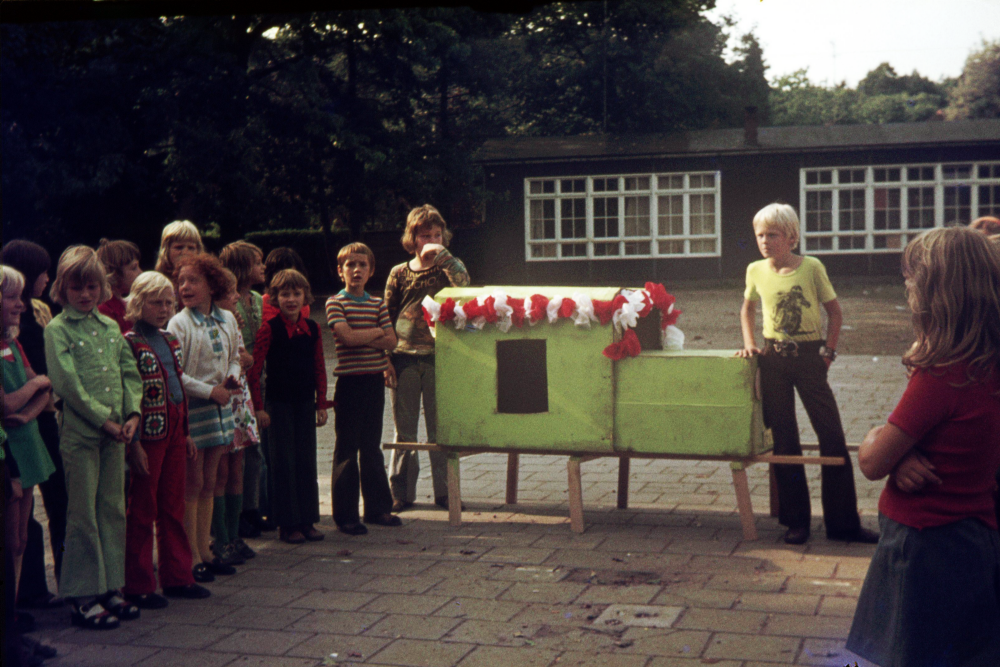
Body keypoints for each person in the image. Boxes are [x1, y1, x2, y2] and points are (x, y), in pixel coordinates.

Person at [847, 226, 1000, 667]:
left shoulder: (942, 375)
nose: (908, 285)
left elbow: (874, 461)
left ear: (938, 292)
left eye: (913, 277)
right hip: (976, 537)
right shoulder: (987, 368)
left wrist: (878, 437)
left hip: (923, 546)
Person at [737, 203, 878, 545]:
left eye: (773, 234)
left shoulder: (811, 267)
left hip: (810, 358)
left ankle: (844, 523)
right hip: (773, 360)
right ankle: (795, 521)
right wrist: (750, 344)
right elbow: (747, 308)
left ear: (791, 236)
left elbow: (835, 312)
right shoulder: (755, 270)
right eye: (760, 235)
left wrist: (828, 352)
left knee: (831, 434)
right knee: (784, 438)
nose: (765, 241)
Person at [44, 246, 143, 629]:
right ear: (62, 288)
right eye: (76, 287)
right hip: (82, 435)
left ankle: (108, 586)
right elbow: (67, 384)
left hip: (117, 434)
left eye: (91, 286)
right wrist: (104, 421)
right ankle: (82, 595)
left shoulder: (110, 326)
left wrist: (133, 413)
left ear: (102, 287)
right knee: (83, 513)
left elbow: (128, 371)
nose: (84, 294)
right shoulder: (57, 330)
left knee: (112, 508)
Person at [122, 272, 211, 609]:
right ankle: (138, 583)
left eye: (167, 302)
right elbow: (126, 395)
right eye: (154, 302)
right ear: (137, 303)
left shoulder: (170, 339)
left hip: (175, 429)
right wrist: (134, 445)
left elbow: (177, 385)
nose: (162, 309)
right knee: (143, 507)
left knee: (173, 504)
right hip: (149, 432)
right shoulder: (129, 343)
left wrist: (186, 432)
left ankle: (177, 575)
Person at [384, 205, 470, 512]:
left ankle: (446, 492)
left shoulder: (447, 268)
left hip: (438, 357)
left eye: (437, 235)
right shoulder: (399, 272)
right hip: (403, 356)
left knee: (440, 427)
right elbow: (386, 314)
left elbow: (464, 285)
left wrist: (445, 257)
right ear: (413, 238)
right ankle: (401, 492)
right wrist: (385, 358)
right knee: (404, 429)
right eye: (425, 236)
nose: (431, 240)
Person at [0, 240, 68, 611]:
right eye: (42, 270)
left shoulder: (30, 318)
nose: (47, 278)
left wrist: (34, 399)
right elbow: (25, 387)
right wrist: (37, 385)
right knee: (17, 527)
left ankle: (53, 584)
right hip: (18, 433)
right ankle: (23, 599)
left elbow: (43, 380)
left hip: (36, 422)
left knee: (42, 515)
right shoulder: (13, 329)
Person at [167, 253, 242, 581]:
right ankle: (192, 554)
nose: (185, 286)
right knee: (193, 481)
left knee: (212, 479)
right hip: (195, 409)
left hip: (221, 407)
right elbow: (176, 373)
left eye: (193, 280)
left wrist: (232, 377)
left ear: (212, 285)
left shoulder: (228, 319)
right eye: (181, 281)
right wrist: (208, 391)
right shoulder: (178, 323)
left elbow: (236, 355)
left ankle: (208, 548)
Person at [248, 269, 331, 543]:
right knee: (282, 463)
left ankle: (307, 519)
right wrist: (259, 408)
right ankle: (287, 522)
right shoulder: (268, 330)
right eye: (285, 294)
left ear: (305, 296)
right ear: (275, 298)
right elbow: (255, 371)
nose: (291, 299)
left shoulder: (313, 329)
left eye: (297, 294)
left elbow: (320, 366)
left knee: (306, 460)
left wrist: (321, 403)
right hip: (278, 404)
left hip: (305, 403)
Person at [326, 243, 401, 535]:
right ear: (340, 270)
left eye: (362, 265)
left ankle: (378, 508)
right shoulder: (335, 303)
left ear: (370, 271)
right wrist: (374, 334)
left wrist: (363, 337)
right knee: (346, 448)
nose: (356, 270)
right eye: (350, 265)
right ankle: (346, 515)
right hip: (349, 383)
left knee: (371, 447)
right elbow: (345, 337)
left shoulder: (377, 303)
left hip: (373, 382)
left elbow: (392, 341)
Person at [219, 241, 270, 538]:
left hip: (257, 378)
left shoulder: (257, 299)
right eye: (256, 261)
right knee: (239, 450)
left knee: (255, 449)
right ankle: (236, 512)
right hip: (238, 380)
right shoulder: (230, 302)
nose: (262, 267)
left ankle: (251, 507)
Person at [212, 271, 259, 562]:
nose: (236, 297)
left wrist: (247, 359)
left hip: (240, 401)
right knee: (220, 472)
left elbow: (245, 357)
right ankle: (220, 538)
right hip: (222, 401)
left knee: (236, 470)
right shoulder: (213, 323)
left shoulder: (233, 322)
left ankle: (233, 535)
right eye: (230, 293)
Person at [96, 239, 142, 334]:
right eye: (134, 268)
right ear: (114, 274)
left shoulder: (125, 304)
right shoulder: (104, 310)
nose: (140, 272)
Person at [261, 247, 311, 321]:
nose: (286, 277)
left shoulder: (303, 305)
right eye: (280, 274)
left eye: (291, 273)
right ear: (270, 274)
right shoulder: (262, 304)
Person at [154, 221, 204, 287]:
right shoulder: (156, 283)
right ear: (166, 251)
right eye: (179, 247)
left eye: (191, 248)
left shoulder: (206, 282)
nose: (186, 252)